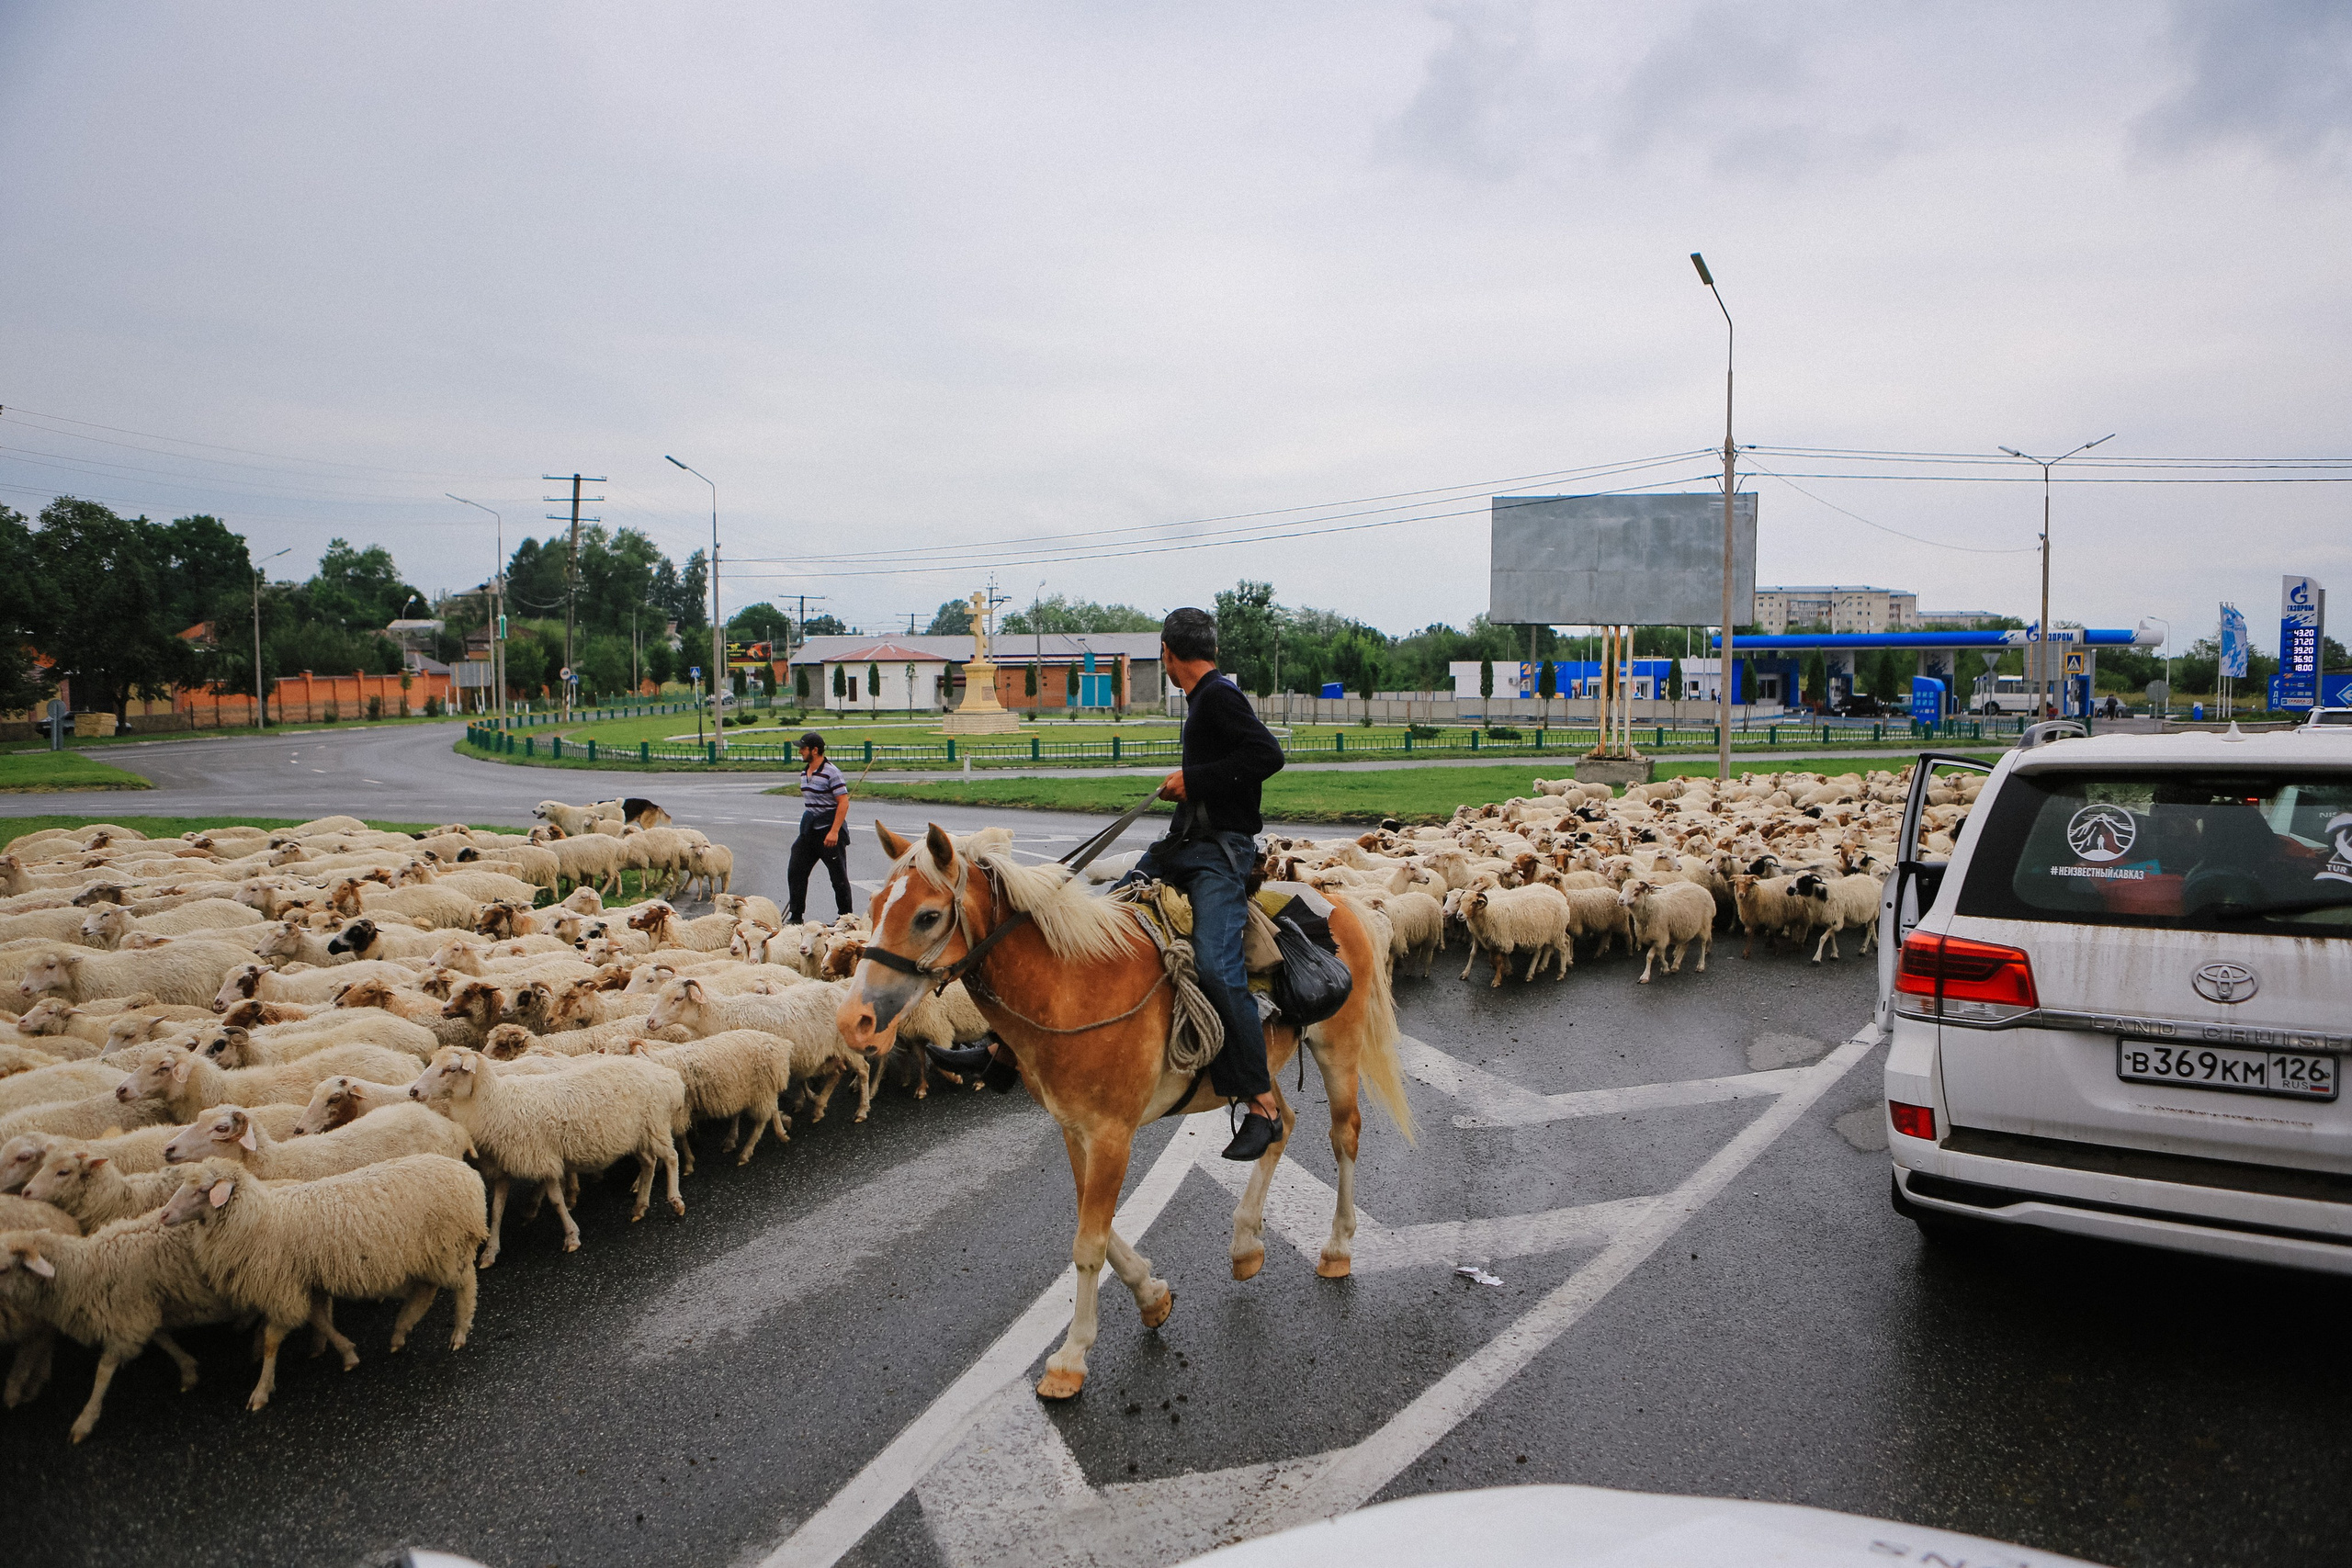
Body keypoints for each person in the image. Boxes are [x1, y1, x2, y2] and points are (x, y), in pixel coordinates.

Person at [1125, 607, 1288, 1162]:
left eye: (1163, 655)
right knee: (1102, 919)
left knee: (1217, 966)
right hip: (1184, 845)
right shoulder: (1203, 699)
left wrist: (1193, 780)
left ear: (1169, 653)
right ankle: (1003, 1054)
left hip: (1220, 854)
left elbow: (1268, 755)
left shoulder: (1218, 696)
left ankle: (1261, 1104)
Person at [787, 731, 854, 925]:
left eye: (803, 748)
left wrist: (834, 832)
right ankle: (796, 917)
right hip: (810, 831)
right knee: (796, 869)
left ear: (814, 750)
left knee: (838, 877)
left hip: (829, 832)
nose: (800, 751)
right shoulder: (805, 773)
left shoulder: (831, 772)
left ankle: (846, 918)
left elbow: (843, 803)